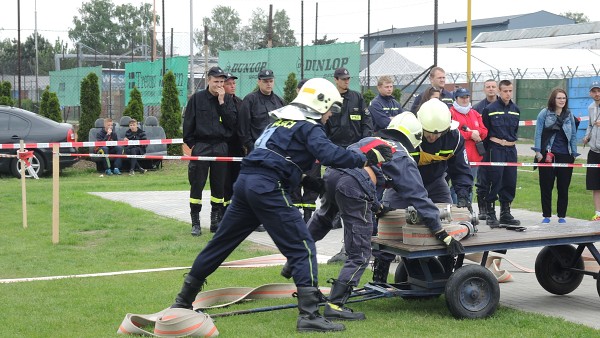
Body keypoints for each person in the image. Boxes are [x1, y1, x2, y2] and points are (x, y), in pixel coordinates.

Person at [169, 78, 394, 333]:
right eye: (330, 108)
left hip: (246, 184)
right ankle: (309, 315)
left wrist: (310, 182)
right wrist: (366, 157)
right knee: (303, 248)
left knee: (220, 244)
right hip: (267, 187)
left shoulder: (279, 122)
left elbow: (275, 157)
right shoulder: (308, 126)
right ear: (319, 104)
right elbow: (331, 155)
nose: (330, 115)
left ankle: (183, 300)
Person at [282, 112, 463, 321]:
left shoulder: (370, 140)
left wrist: (378, 207)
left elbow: (363, 169)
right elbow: (419, 198)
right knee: (359, 253)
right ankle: (336, 304)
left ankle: (293, 260)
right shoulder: (401, 155)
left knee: (322, 219)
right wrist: (442, 233)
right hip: (352, 186)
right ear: (414, 137)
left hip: (331, 176)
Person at [372, 99, 473, 282]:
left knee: (446, 222)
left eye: (438, 134)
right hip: (403, 185)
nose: (432, 138)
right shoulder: (408, 133)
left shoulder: (455, 138)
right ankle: (380, 274)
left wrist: (464, 196)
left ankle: (447, 270)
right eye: (428, 133)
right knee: (388, 227)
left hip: (435, 184)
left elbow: (461, 170)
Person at [183, 66, 237, 236]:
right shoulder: (197, 99)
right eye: (216, 82)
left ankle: (216, 220)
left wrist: (222, 102)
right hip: (202, 146)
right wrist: (193, 145)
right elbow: (188, 123)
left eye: (222, 82)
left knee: (219, 186)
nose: (219, 85)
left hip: (221, 146)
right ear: (208, 80)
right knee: (197, 184)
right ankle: (195, 221)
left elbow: (232, 123)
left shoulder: (227, 99)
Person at [326, 67, 373, 258]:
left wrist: (365, 144)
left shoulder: (357, 98)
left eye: (348, 78)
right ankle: (335, 215)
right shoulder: (330, 97)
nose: (346, 81)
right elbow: (325, 125)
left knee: (354, 186)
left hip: (355, 150)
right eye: (343, 79)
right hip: (336, 149)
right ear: (336, 80)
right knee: (335, 185)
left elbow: (366, 121)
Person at [532, 88, 580, 224]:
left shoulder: (569, 115)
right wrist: (538, 153)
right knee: (546, 186)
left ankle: (562, 216)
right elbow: (538, 133)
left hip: (565, 155)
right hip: (548, 154)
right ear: (553, 99)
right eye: (559, 98)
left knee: (563, 187)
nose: (562, 100)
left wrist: (574, 153)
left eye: (564, 98)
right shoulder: (544, 113)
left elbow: (574, 135)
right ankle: (546, 215)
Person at [480, 80, 521, 228]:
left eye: (510, 91)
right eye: (505, 91)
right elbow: (485, 132)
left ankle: (505, 212)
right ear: (499, 91)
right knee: (494, 180)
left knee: (510, 181)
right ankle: (490, 212)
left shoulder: (516, 109)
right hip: (495, 148)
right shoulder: (490, 109)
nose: (508, 94)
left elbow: (515, 130)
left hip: (511, 149)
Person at [290, 78, 321, 222]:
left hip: (312, 152)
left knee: (312, 183)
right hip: (296, 153)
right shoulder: (291, 108)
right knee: (294, 184)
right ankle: (295, 215)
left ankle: (308, 216)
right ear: (297, 91)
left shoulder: (317, 108)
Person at [449, 88, 488, 203]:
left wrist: (477, 133)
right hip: (458, 157)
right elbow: (452, 132)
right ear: (456, 99)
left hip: (474, 157)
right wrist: (470, 134)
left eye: (467, 97)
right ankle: (456, 210)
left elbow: (484, 131)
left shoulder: (474, 113)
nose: (465, 100)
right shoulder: (451, 113)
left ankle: (468, 211)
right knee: (457, 185)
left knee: (469, 185)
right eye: (462, 97)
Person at [238, 69, 285, 155]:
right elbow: (243, 127)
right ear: (259, 82)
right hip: (256, 148)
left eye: (271, 81)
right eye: (265, 81)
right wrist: (251, 146)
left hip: (276, 148)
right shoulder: (250, 100)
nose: (269, 84)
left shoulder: (279, 101)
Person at [473, 79, 498, 221]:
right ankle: (482, 208)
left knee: (496, 178)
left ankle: (491, 207)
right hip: (482, 147)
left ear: (497, 89)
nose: (491, 89)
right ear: (484, 89)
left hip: (498, 147)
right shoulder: (477, 108)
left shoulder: (502, 106)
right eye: (488, 87)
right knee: (482, 177)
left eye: (493, 87)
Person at [222, 72, 243, 222]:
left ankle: (237, 213)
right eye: (229, 84)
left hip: (238, 146)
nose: (232, 86)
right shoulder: (218, 102)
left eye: (234, 83)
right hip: (223, 146)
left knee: (238, 180)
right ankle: (223, 214)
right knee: (224, 181)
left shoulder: (240, 102)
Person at [583, 81, 600, 221]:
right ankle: (598, 213)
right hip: (594, 151)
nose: (597, 94)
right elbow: (590, 125)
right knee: (595, 185)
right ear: (590, 93)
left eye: (598, 91)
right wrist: (587, 136)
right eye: (594, 91)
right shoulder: (590, 108)